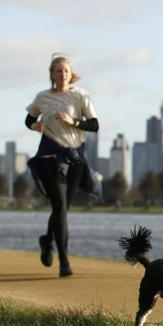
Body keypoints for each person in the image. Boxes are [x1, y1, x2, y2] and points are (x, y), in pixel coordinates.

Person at [25, 55, 100, 277]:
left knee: (63, 209)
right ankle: (64, 262)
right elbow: (28, 119)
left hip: (74, 157)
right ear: (52, 74)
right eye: (58, 70)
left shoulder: (80, 96)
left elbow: (94, 125)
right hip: (49, 157)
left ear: (71, 73)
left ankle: (47, 240)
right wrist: (35, 125)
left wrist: (73, 121)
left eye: (66, 70)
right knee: (59, 207)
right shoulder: (42, 97)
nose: (63, 74)